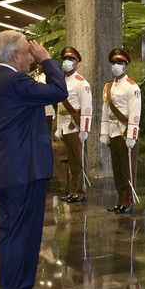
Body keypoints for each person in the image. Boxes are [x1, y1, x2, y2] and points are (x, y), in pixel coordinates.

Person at [0, 30, 68, 289]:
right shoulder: (14, 80)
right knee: (23, 233)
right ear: (15, 55)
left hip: (7, 169)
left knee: (9, 232)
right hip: (23, 171)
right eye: (27, 53)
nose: (31, 57)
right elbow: (58, 92)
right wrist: (47, 60)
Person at [100, 48, 142, 215]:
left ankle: (128, 202)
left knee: (128, 170)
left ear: (126, 66)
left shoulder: (132, 88)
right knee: (117, 170)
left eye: (120, 63)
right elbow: (105, 110)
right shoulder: (108, 86)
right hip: (113, 132)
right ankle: (120, 200)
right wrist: (104, 132)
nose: (116, 65)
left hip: (125, 133)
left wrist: (132, 135)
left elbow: (135, 113)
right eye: (114, 63)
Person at [55, 47, 92, 203]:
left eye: (71, 60)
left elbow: (87, 108)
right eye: (65, 59)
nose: (67, 62)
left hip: (75, 126)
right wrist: (58, 126)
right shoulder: (62, 81)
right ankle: (74, 190)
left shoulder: (82, 83)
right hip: (64, 124)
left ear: (77, 63)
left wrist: (84, 129)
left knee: (79, 160)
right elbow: (59, 105)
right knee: (71, 160)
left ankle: (80, 191)